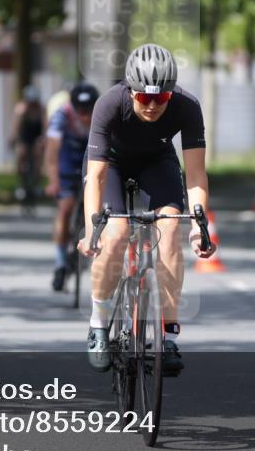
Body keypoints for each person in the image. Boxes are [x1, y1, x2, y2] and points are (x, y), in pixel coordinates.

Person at [77, 44, 217, 374]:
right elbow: (95, 177)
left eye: (161, 98)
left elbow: (195, 173)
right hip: (111, 163)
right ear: (131, 90)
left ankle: (167, 335)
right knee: (116, 234)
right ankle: (98, 323)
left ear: (171, 94)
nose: (153, 105)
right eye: (144, 98)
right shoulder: (109, 103)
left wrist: (199, 225)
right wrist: (91, 231)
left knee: (169, 231)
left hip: (157, 160)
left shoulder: (187, 106)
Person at [45, 81, 99, 291]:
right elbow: (51, 152)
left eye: (89, 110)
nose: (85, 115)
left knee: (97, 207)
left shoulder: (103, 113)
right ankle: (60, 263)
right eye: (80, 110)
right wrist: (53, 181)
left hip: (93, 159)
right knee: (65, 207)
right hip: (68, 159)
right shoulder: (61, 115)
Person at [11, 85, 46, 202]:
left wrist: (43, 139)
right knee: (22, 153)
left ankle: (36, 181)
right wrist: (14, 138)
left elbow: (45, 127)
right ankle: (21, 181)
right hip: (25, 136)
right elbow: (16, 127)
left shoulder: (41, 109)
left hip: (36, 136)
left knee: (38, 155)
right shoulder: (21, 108)